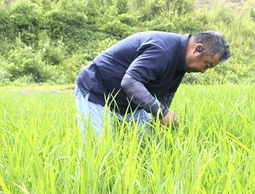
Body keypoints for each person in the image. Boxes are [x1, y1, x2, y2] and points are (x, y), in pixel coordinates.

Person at [75, 30, 230, 136]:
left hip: (129, 103)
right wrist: (161, 113)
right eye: (207, 65)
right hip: (97, 91)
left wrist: (162, 120)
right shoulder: (163, 49)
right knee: (98, 153)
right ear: (197, 49)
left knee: (147, 146)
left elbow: (164, 95)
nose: (203, 71)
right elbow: (130, 81)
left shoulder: (180, 63)